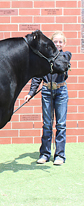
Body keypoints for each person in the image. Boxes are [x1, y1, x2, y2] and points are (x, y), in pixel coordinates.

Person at [24, 31, 71, 166]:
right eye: (55, 42)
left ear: (64, 43)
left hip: (61, 91)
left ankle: (60, 155)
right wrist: (31, 93)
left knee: (61, 124)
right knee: (47, 124)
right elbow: (37, 77)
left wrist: (51, 59)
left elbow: (63, 62)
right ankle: (45, 154)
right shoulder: (45, 59)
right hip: (46, 91)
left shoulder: (65, 55)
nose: (58, 44)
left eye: (60, 42)